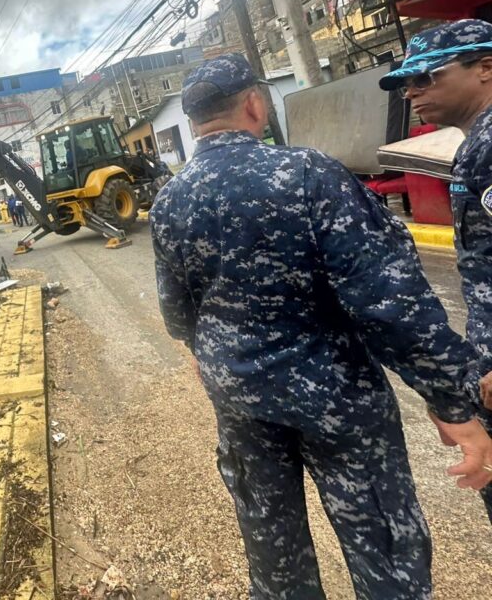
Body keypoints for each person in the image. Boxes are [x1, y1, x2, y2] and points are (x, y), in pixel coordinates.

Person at [150, 53, 492, 599]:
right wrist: (452, 402)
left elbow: (176, 311)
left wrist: (209, 355)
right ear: (255, 104)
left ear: (193, 122)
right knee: (383, 547)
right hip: (337, 401)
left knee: (273, 550)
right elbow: (389, 301)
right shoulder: (306, 173)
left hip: (239, 401)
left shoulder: (168, 201)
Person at [379, 18, 492, 524]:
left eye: (426, 78)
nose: (411, 93)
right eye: (406, 83)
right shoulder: (476, 145)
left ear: (485, 67)